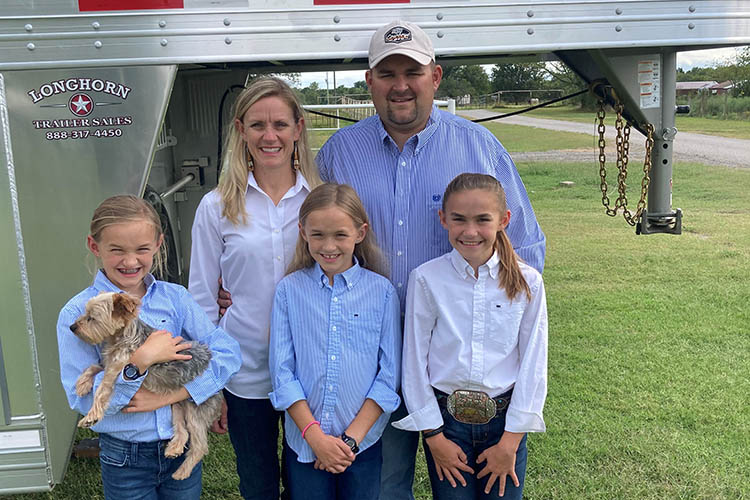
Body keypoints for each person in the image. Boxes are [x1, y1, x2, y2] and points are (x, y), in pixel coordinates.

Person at [315, 20, 547, 500]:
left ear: (436, 77)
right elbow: (320, 239)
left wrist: (500, 328)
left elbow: (523, 246)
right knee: (384, 484)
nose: (401, 85)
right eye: (387, 73)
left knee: (467, 481)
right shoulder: (339, 153)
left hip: (455, 358)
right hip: (371, 351)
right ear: (370, 82)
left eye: (413, 72)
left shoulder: (479, 147)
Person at [57, 195, 241, 500]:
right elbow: (83, 402)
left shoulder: (175, 298)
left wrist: (178, 394)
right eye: (116, 250)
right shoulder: (76, 314)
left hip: (177, 444)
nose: (130, 262)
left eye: (142, 249)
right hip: (123, 453)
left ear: (158, 244)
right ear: (94, 246)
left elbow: (227, 352)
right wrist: (139, 362)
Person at [188, 76, 321, 500]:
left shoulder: (319, 200)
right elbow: (202, 299)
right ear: (241, 130)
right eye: (258, 125)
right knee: (258, 483)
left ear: (298, 129)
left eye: (280, 124)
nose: (270, 136)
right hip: (245, 371)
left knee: (309, 480)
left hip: (312, 367)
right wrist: (211, 383)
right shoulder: (216, 207)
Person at [394, 173, 548, 500]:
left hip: (504, 424)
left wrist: (510, 442)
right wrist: (434, 437)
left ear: (504, 220)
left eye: (483, 220)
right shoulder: (426, 279)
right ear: (443, 219)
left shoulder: (527, 282)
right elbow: (414, 361)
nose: (470, 231)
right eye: (459, 220)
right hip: (447, 425)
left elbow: (534, 363)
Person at [268, 183, 401, 500]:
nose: (329, 246)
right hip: (306, 444)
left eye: (340, 235)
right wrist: (316, 439)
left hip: (361, 444)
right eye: (318, 235)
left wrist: (350, 441)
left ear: (360, 232)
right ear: (303, 232)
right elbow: (282, 373)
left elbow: (389, 376)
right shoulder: (289, 291)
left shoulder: (382, 293)